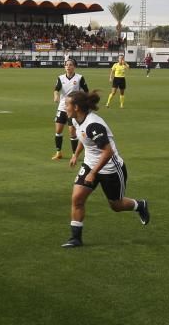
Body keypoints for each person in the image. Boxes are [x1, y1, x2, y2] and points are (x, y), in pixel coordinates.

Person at [62, 89, 150, 247]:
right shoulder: (76, 120)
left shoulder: (93, 125)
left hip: (110, 168)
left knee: (116, 206)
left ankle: (140, 205)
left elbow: (108, 152)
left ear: (76, 107)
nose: (64, 106)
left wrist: (93, 173)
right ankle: (76, 238)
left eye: (67, 104)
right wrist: (75, 154)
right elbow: (84, 137)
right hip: (90, 164)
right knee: (77, 198)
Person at [52, 58, 89, 160]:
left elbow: (86, 92)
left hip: (73, 109)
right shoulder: (60, 78)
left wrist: (82, 101)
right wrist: (56, 96)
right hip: (62, 107)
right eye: (66, 65)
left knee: (72, 133)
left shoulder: (80, 78)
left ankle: (74, 155)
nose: (68, 66)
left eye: (70, 65)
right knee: (58, 130)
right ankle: (58, 152)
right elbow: (56, 89)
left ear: (74, 67)